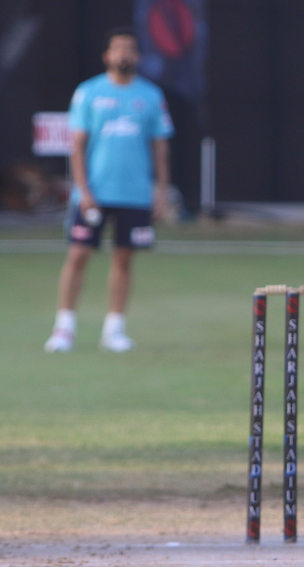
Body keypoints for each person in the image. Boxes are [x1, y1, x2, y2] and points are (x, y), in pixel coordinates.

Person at [44, 27, 174, 353]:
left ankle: (114, 329)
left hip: (134, 193)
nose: (124, 55)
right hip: (94, 192)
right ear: (107, 56)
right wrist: (83, 188)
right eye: (118, 49)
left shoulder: (151, 96)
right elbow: (77, 145)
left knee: (124, 259)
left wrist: (161, 189)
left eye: (130, 49)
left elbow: (160, 146)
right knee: (78, 254)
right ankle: (64, 328)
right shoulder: (88, 93)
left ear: (138, 56)